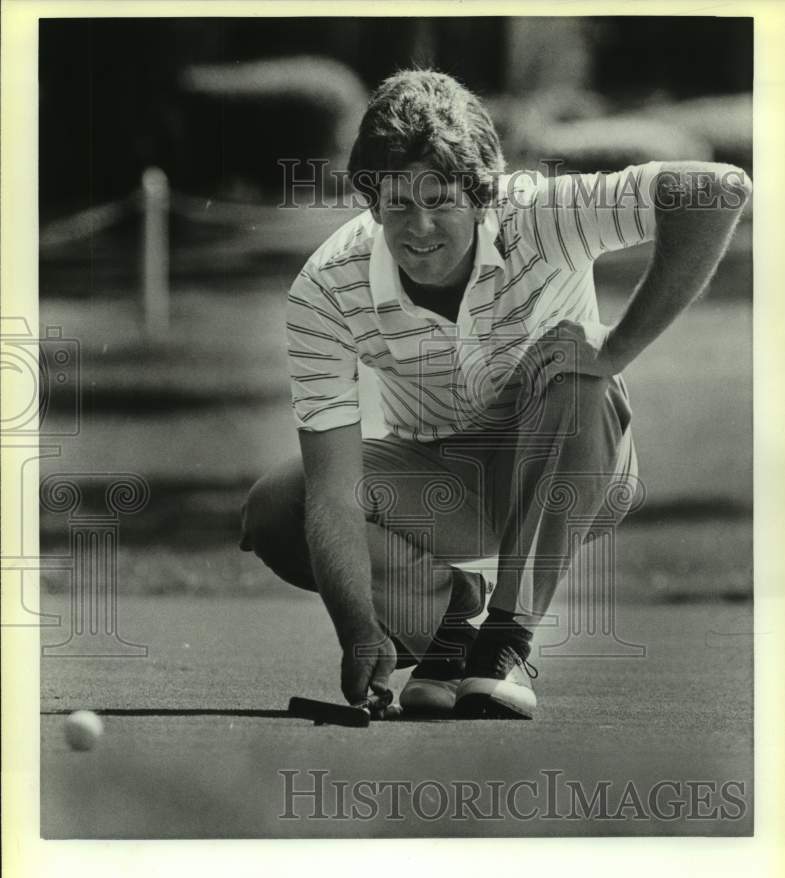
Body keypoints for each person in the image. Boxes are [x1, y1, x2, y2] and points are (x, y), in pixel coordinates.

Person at [240, 69, 751, 719]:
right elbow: (336, 498)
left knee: (569, 368)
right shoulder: (326, 288)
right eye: (397, 202)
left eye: (440, 199)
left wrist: (616, 348)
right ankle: (450, 638)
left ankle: (504, 644)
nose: (419, 227)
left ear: (482, 195)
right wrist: (359, 627)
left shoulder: (540, 213)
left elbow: (716, 190)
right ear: (371, 203)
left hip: (575, 463)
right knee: (279, 507)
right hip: (446, 484)